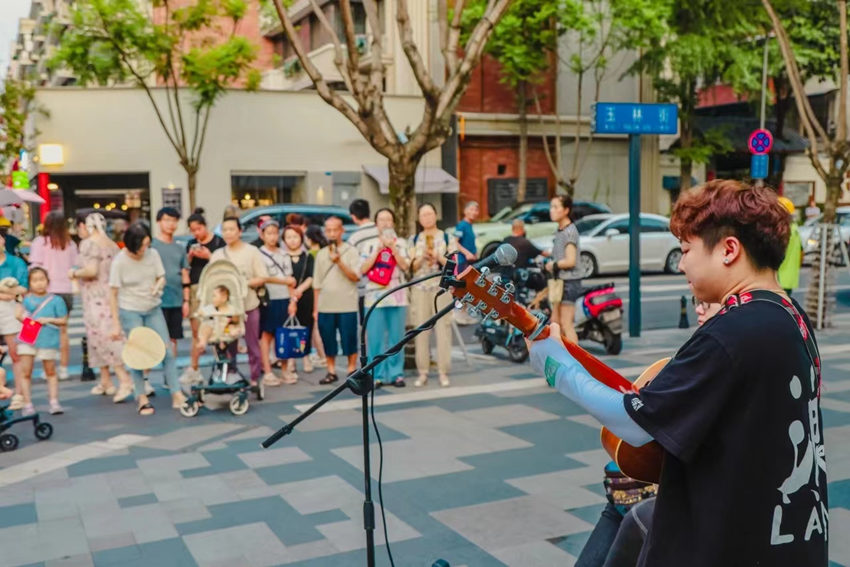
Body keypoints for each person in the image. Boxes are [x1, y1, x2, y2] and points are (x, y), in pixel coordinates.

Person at [531, 179, 828, 566]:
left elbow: (635, 421)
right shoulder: (789, 315)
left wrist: (558, 370)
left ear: (729, 250)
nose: (682, 261)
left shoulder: (735, 330)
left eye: (687, 249)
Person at [576, 299, 722, 567]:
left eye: (708, 303)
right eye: (696, 302)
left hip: (664, 502)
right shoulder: (689, 359)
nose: (699, 309)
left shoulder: (723, 362)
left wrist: (565, 375)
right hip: (626, 489)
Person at [109, 222, 185, 415]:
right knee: (137, 355)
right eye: (141, 246)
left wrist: (158, 285)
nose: (145, 249)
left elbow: (162, 276)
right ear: (130, 245)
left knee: (166, 350)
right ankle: (141, 397)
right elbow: (113, 292)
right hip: (130, 309)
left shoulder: (153, 255)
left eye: (147, 244)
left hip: (153, 307)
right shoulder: (120, 261)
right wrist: (116, 324)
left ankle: (177, 393)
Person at [70, 213, 133, 403]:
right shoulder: (112, 245)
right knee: (98, 336)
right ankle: (106, 380)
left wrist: (73, 273)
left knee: (105, 337)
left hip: (95, 295)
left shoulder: (89, 244)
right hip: (111, 293)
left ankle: (124, 380)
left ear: (87, 226)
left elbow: (91, 270)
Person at [209, 217, 269, 391]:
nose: (228, 233)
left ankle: (255, 377)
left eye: (231, 229)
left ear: (240, 231)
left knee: (252, 344)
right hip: (227, 309)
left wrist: (242, 283)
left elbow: (262, 277)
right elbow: (213, 278)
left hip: (249, 305)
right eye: (225, 230)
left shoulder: (252, 252)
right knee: (228, 344)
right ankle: (230, 374)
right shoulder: (218, 255)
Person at [360, 208, 410, 388]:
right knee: (375, 337)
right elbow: (363, 269)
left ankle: (396, 373)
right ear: (376, 224)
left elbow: (406, 266)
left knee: (397, 336)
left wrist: (393, 249)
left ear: (394, 223)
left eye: (389, 219)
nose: (386, 223)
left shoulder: (402, 243)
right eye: (382, 220)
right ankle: (377, 374)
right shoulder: (369, 245)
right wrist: (378, 250)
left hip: (397, 294)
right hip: (374, 295)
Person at [409, 203, 455, 387]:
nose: (427, 218)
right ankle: (423, 371)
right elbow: (411, 266)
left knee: (443, 330)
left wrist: (438, 256)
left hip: (441, 289)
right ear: (419, 219)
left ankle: (443, 371)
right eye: (423, 215)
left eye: (429, 214)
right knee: (421, 330)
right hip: (420, 289)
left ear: (436, 215)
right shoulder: (414, 239)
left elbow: (453, 264)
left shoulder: (446, 237)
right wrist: (422, 258)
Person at [28, 211, 78, 380]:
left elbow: (35, 266)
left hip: (45, 291)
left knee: (39, 329)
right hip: (66, 291)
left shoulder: (40, 242)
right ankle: (63, 368)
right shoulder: (70, 244)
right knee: (63, 331)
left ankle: (45, 367)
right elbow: (75, 267)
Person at [313, 216, 361, 384]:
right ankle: (331, 370)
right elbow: (316, 283)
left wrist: (339, 262)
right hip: (326, 305)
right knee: (328, 338)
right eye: (329, 230)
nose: (332, 233)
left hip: (347, 303)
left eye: (335, 230)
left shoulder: (351, 251)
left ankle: (351, 368)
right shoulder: (320, 254)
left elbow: (355, 276)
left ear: (342, 231)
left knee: (349, 337)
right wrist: (315, 308)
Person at [181, 208, 226, 385]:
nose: (196, 233)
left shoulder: (218, 242)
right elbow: (185, 268)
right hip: (195, 288)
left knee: (216, 329)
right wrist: (190, 257)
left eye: (198, 229)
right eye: (192, 230)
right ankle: (194, 368)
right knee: (196, 330)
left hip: (214, 288)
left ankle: (221, 366)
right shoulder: (191, 243)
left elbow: (222, 265)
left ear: (205, 226)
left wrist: (209, 256)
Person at [15, 267, 68, 415]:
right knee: (26, 372)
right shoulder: (26, 300)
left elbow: (63, 320)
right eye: (35, 280)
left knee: (50, 371)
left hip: (48, 338)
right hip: (28, 336)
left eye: (42, 279)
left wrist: (48, 320)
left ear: (48, 281)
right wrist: (22, 316)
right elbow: (18, 315)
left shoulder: (56, 300)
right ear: (30, 283)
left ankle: (54, 401)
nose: (39, 283)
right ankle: (28, 403)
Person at [257, 218, 297, 386]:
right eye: (269, 233)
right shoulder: (258, 254)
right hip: (268, 299)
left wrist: (292, 301)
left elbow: (291, 282)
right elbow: (263, 277)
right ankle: (267, 371)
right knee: (266, 335)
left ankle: (285, 368)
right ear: (262, 234)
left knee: (284, 335)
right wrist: (284, 281)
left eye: (275, 233)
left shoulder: (284, 254)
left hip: (284, 299)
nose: (272, 237)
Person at [150, 207, 190, 360]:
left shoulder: (179, 248)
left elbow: (184, 273)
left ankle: (170, 373)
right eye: (167, 220)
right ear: (159, 222)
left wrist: (186, 301)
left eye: (174, 220)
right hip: (157, 300)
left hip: (176, 299)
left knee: (173, 338)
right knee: (157, 338)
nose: (170, 224)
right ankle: (148, 377)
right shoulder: (151, 246)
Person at [547, 194, 582, 343]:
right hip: (559, 281)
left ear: (566, 210)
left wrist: (553, 265)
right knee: (555, 322)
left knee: (567, 324)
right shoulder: (560, 230)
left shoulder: (569, 231)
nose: (552, 211)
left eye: (556, 207)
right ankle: (560, 356)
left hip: (569, 281)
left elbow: (571, 260)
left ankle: (576, 360)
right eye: (551, 207)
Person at [0, 232, 27, 410]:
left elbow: (23, 288)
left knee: (15, 352)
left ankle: (19, 393)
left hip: (10, 313)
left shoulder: (16, 263)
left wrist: (8, 293)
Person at [283, 225, 315, 373]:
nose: (292, 240)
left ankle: (305, 355)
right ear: (284, 240)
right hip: (287, 296)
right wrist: (292, 295)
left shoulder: (308, 256)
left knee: (305, 327)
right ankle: (291, 359)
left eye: (295, 236)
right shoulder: (281, 256)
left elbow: (311, 277)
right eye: (288, 237)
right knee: (289, 328)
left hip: (305, 296)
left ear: (301, 238)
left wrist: (299, 290)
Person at [347, 198, 380, 322]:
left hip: (365, 287)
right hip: (386, 285)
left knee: (367, 324)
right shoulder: (380, 232)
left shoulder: (354, 238)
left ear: (353, 217)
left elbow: (353, 265)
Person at [304, 225, 328, 368]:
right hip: (327, 291)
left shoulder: (311, 254)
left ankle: (322, 355)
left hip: (314, 291)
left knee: (315, 328)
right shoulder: (325, 251)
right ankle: (323, 355)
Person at [777, 196, 802, 296]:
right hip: (789, 278)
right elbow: (801, 252)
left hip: (778, 278)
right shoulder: (795, 228)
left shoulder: (783, 230)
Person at [453, 200, 480, 272]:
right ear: (465, 211)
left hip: (471, 261)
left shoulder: (470, 225)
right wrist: (467, 254)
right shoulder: (461, 225)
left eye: (476, 210)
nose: (474, 212)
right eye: (471, 209)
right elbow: (455, 242)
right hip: (463, 262)